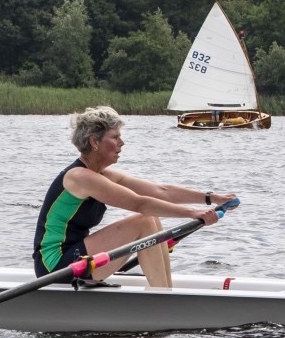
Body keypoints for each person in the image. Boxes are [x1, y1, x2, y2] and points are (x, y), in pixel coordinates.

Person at [35, 106, 234, 285]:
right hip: (54, 265)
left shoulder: (102, 175)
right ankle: (162, 297)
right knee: (143, 221)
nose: (122, 143)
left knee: (150, 219)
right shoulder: (79, 177)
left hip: (75, 256)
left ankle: (165, 291)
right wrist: (194, 213)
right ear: (94, 142)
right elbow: (140, 204)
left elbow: (160, 191)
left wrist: (212, 198)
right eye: (115, 137)